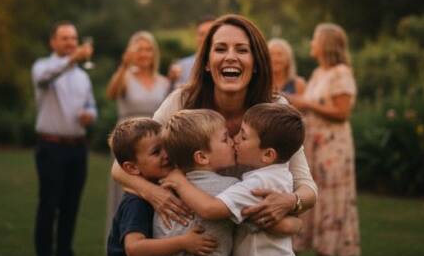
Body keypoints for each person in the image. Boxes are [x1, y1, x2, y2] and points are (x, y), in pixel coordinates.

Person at [111, 14, 318, 234]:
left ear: (256, 63)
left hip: (250, 246)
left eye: (241, 50)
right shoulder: (182, 102)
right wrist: (154, 194)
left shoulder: (275, 107)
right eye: (220, 49)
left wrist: (291, 201)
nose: (230, 57)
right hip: (195, 240)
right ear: (207, 64)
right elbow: (121, 166)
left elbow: (307, 187)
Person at [149, 109, 303, 256]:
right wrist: (295, 224)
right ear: (202, 157)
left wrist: (179, 181)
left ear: (268, 154)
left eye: (242, 136)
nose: (234, 140)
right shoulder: (238, 185)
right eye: (226, 138)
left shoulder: (166, 189)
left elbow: (210, 208)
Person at [89, 118, 218, 256]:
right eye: (156, 152)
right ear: (132, 168)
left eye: (166, 146)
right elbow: (134, 249)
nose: (166, 154)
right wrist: (184, 242)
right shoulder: (137, 203)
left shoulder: (167, 186)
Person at [288, 23, 360, 256]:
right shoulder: (319, 72)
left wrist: (305, 103)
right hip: (315, 146)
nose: (311, 43)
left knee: (338, 203)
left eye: (315, 39)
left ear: (327, 44)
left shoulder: (341, 73)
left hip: (335, 148)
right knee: (319, 204)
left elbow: (341, 112)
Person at [31, 21, 98, 256]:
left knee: (72, 205)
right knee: (49, 204)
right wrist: (72, 60)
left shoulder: (83, 76)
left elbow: (92, 105)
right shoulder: (43, 67)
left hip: (78, 148)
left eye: (74, 38)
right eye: (65, 38)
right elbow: (44, 78)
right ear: (53, 42)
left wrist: (90, 115)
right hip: (51, 146)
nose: (71, 43)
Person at [105, 31, 171, 238]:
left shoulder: (163, 81)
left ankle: (149, 238)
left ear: (154, 53)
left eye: (148, 49)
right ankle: (119, 239)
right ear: (131, 52)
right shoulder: (124, 76)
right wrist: (123, 66)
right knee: (125, 189)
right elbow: (111, 94)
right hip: (127, 139)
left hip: (154, 142)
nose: (144, 53)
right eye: (140, 49)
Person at [168, 16, 215, 89]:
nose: (205, 38)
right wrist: (171, 82)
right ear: (196, 37)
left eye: (210, 34)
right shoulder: (181, 66)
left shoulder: (226, 64)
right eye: (202, 34)